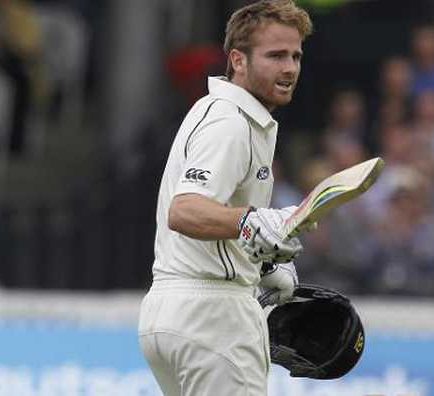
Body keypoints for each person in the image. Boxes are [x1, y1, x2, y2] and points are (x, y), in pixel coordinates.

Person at [137, 1, 313, 395]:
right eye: (276, 56)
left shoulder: (225, 113)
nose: (289, 68)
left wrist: (262, 268)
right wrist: (251, 222)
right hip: (213, 315)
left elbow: (212, 216)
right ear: (238, 60)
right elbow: (184, 211)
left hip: (170, 312)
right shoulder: (231, 122)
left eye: (296, 56)